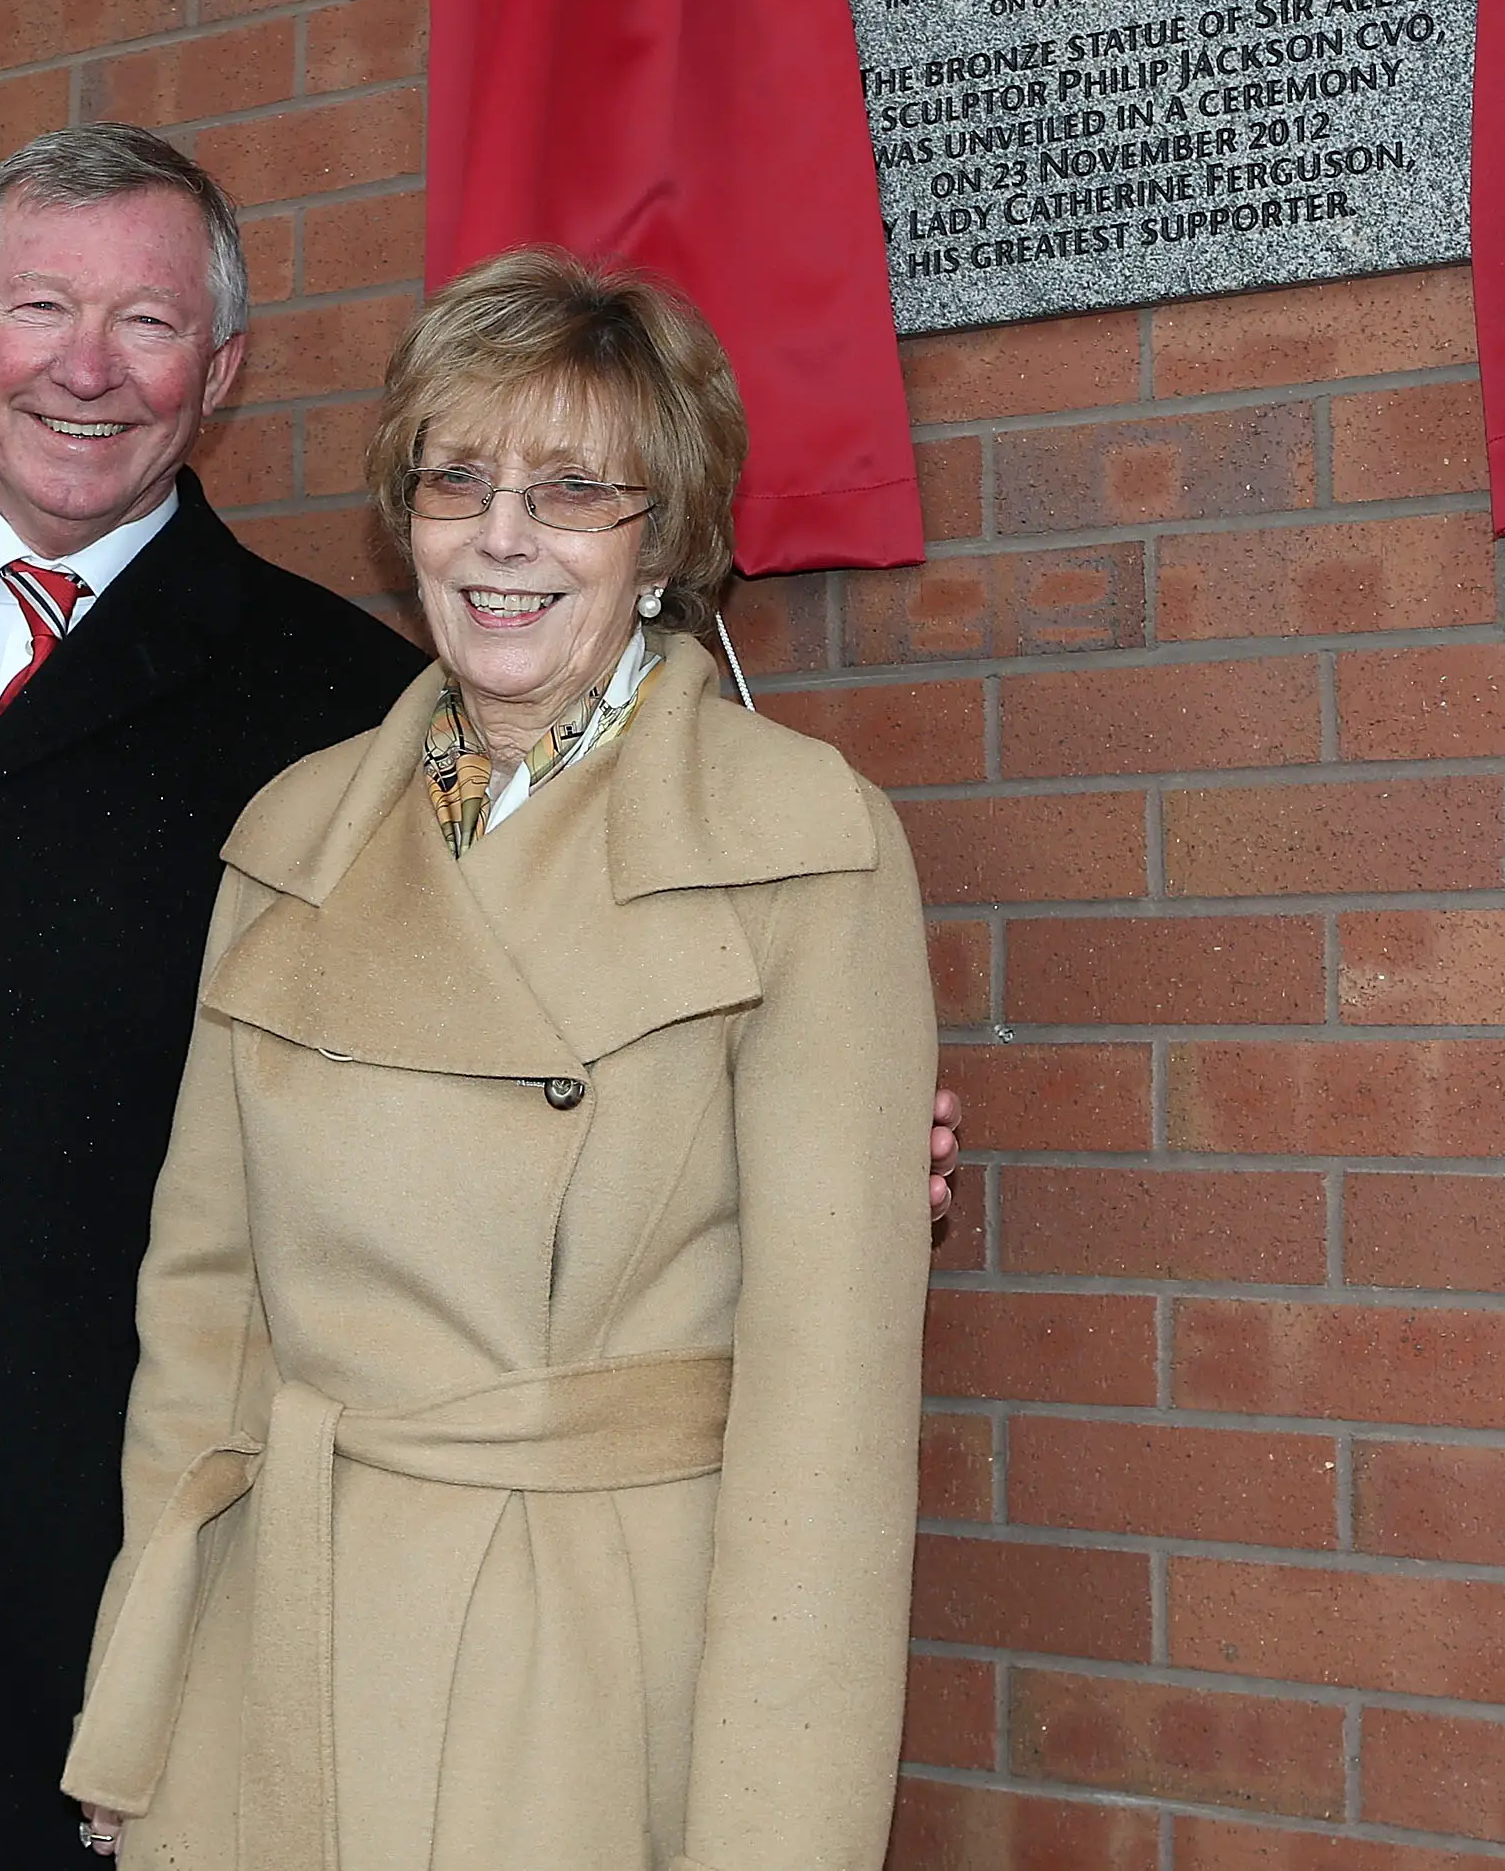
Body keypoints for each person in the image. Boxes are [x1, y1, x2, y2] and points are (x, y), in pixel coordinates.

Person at [0, 125, 963, 1871]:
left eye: (150, 323)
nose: (86, 367)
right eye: (40, 305)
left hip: (114, 1553)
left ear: (226, 369)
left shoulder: (321, 694)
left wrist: (833, 1150)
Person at [65, 252, 936, 1871]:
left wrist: (774, 1828)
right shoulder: (294, 834)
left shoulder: (799, 843)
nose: (504, 534)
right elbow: (202, 1318)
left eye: (574, 490)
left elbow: (831, 1410)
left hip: (596, 1668)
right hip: (290, 1640)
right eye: (456, 480)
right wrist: (150, 1673)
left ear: (667, 540)